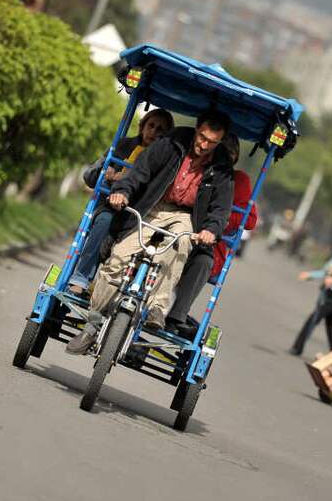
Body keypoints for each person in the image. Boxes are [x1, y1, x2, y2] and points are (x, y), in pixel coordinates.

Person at [66, 110, 234, 354]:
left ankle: (157, 308)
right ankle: (91, 324)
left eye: (211, 142)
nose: (204, 145)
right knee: (120, 257)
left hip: (183, 216)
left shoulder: (222, 169)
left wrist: (211, 229)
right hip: (151, 206)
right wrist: (123, 191)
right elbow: (140, 171)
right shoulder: (171, 143)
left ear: (220, 142)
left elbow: (221, 208)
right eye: (202, 137)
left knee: (182, 244)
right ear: (196, 129)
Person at [66, 109, 174, 297]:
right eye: (151, 126)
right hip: (109, 206)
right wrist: (105, 174)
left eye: (160, 130)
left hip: (140, 213)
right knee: (105, 222)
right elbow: (90, 176)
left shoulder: (164, 160)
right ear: (142, 127)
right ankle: (81, 278)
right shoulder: (123, 145)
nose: (153, 132)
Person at [164, 133, 258, 336]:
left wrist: (215, 224)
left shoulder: (238, 180)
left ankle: (176, 316)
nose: (224, 155)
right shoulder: (195, 168)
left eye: (229, 152)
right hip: (178, 228)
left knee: (202, 262)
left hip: (209, 242)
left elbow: (249, 220)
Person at [288, 234, 332, 356]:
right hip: (327, 294)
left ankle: (297, 347)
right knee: (331, 326)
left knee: (313, 319)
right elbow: (325, 272)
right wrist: (310, 275)